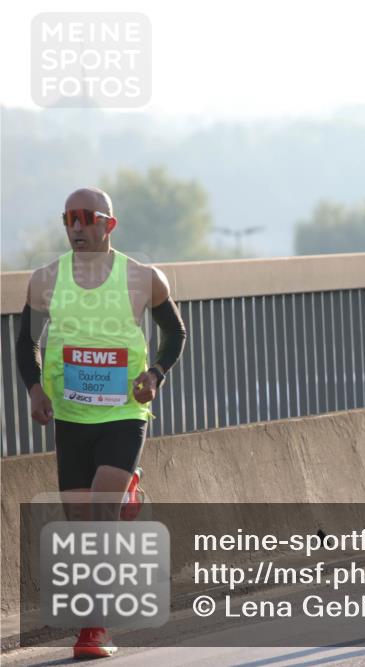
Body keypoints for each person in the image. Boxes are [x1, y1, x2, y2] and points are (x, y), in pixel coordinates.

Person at [16, 187, 187, 659]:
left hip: (123, 411)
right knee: (78, 522)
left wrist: (155, 374)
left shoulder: (143, 278)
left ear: (108, 225)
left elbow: (174, 333)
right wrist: (35, 389)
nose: (76, 227)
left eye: (86, 217)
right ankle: (129, 489)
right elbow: (27, 342)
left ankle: (94, 628)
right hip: (71, 414)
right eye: (68, 218)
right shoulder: (45, 279)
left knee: (100, 513)